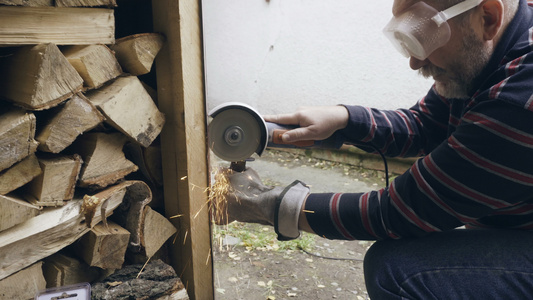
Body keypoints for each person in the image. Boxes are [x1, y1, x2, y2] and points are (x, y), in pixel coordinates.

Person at [214, 0, 533, 298]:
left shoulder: (519, 103)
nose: (414, 61)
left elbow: (401, 211)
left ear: (488, 17)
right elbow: (425, 124)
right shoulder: (493, 45)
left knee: (398, 270)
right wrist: (343, 120)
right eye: (408, 39)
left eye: (424, 37)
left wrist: (260, 203)